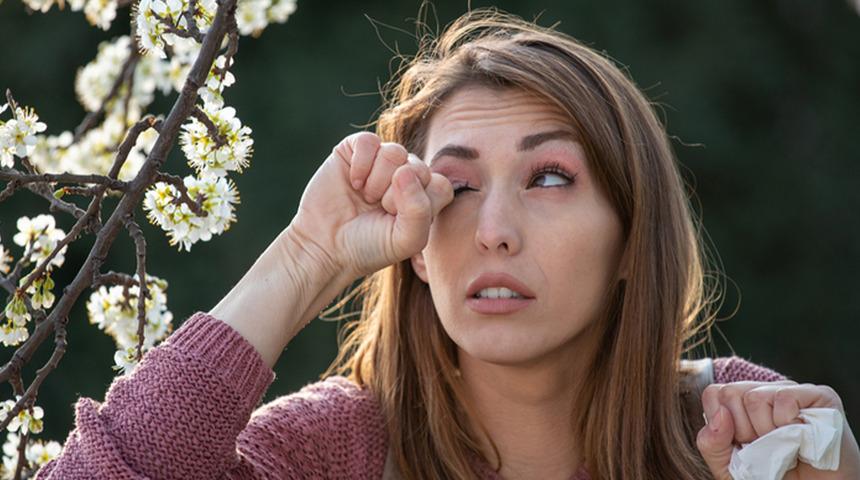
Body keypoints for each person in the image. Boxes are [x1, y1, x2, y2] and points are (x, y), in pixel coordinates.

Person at [37, 7, 859, 480]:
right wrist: (304, 255)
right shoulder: (340, 452)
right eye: (456, 189)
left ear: (631, 234)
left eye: (548, 178)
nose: (494, 231)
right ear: (417, 249)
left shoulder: (739, 428)